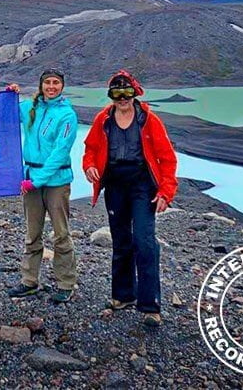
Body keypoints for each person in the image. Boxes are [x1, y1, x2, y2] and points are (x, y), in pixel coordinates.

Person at [81, 69, 177, 326]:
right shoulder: (104, 119)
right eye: (117, 93)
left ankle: (150, 306)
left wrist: (166, 192)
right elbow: (90, 148)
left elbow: (167, 158)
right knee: (121, 240)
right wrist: (89, 166)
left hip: (141, 186)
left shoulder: (148, 120)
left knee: (145, 241)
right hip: (115, 185)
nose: (122, 98)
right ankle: (123, 296)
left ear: (135, 93)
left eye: (127, 92)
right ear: (111, 95)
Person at [5, 69, 79, 303]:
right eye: (47, 82)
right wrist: (11, 96)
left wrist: (36, 181)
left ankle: (65, 283)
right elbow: (8, 112)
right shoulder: (31, 108)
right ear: (41, 85)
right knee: (32, 233)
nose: (51, 86)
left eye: (56, 82)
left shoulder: (67, 115)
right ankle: (29, 281)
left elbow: (60, 152)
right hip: (32, 178)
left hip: (56, 181)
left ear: (62, 86)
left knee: (61, 234)